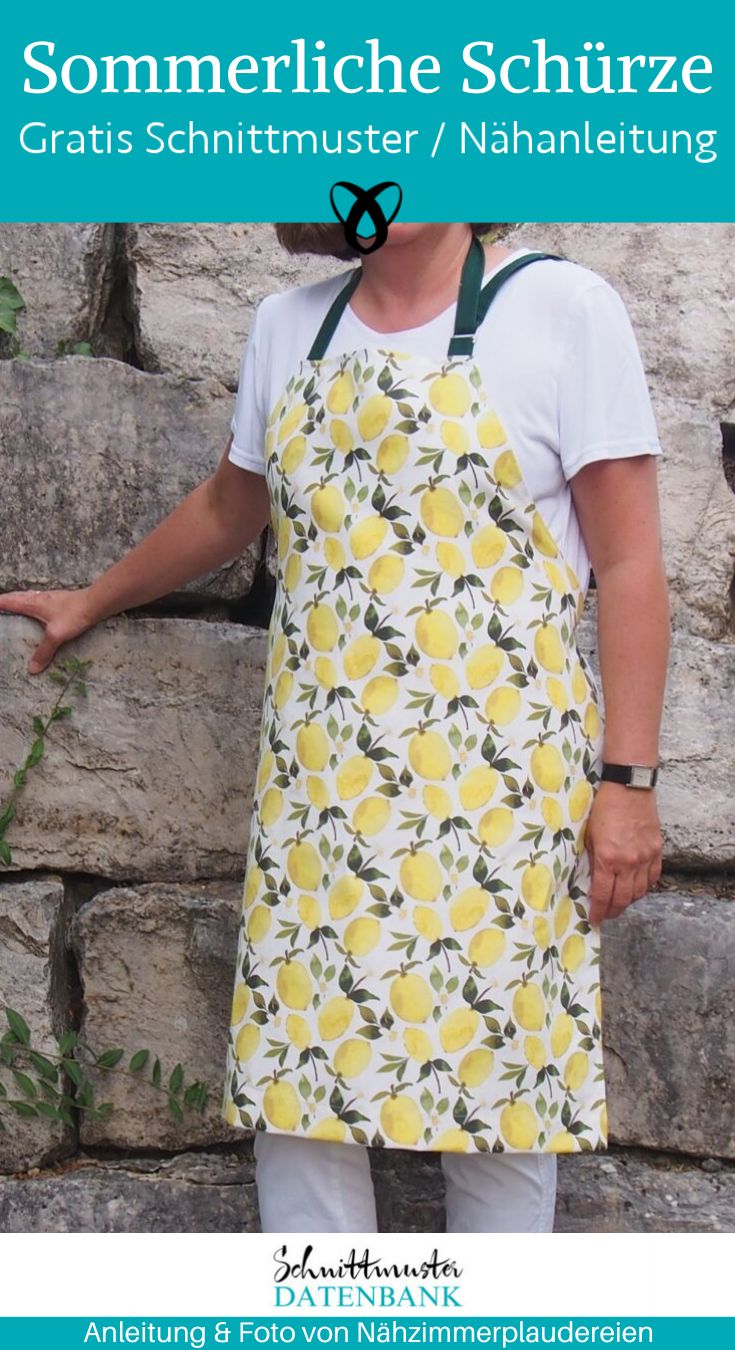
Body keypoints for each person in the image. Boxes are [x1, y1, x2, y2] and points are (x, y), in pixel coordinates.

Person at [0, 222, 670, 1234]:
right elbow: (229, 505)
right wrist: (92, 598)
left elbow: (629, 563)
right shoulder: (288, 325)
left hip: (496, 792)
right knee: (302, 1096)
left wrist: (628, 783)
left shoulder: (564, 310)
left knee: (498, 1096)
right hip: (322, 792)